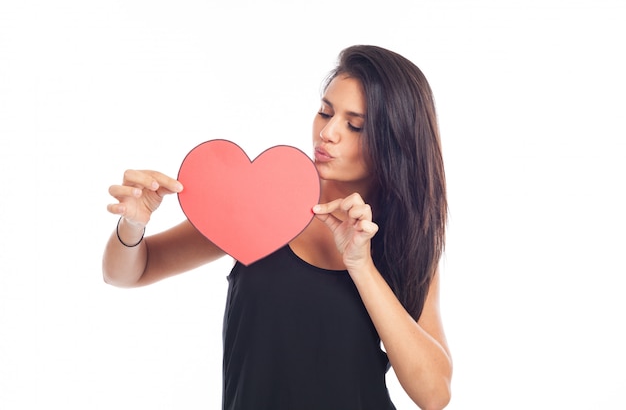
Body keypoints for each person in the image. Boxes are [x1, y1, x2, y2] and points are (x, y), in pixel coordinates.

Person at [103, 45, 452, 410]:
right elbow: (126, 273)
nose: (328, 133)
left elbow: (434, 394)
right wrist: (132, 224)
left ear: (396, 142)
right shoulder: (261, 201)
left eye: (355, 125)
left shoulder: (402, 241)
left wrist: (361, 266)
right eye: (325, 112)